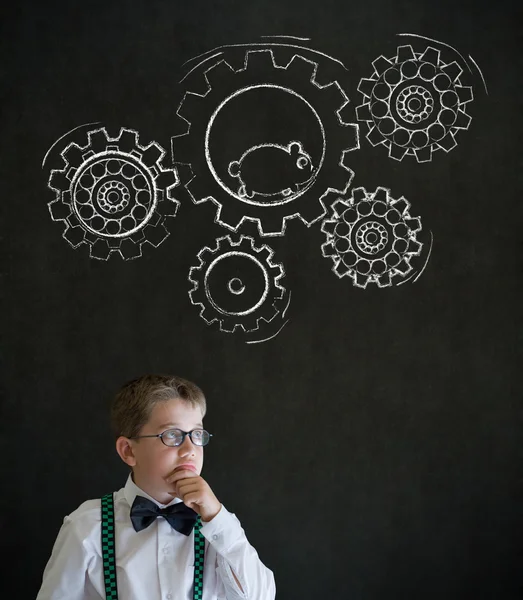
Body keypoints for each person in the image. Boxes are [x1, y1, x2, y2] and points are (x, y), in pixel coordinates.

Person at [36, 374, 276, 600]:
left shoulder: (218, 528)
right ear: (128, 451)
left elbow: (261, 596)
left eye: (197, 434)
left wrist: (217, 518)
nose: (190, 449)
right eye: (171, 435)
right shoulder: (87, 526)